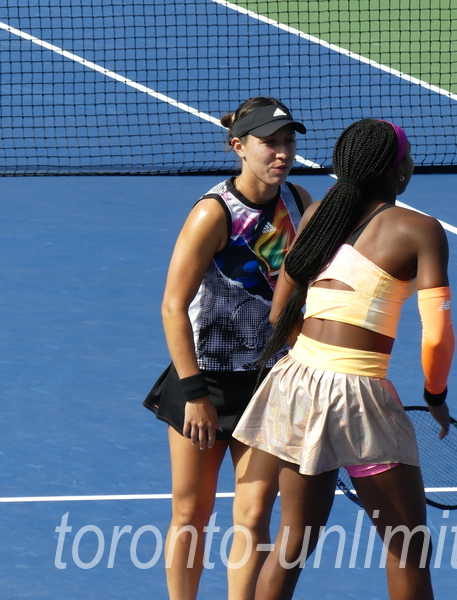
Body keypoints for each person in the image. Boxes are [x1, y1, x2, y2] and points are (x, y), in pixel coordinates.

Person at [233, 119, 455, 600]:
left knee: (293, 540)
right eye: (409, 155)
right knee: (408, 548)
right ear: (397, 171)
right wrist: (435, 397)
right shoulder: (421, 230)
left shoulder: (316, 218)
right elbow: (436, 337)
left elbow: (280, 314)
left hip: (298, 383)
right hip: (357, 393)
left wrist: (318, 364)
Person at [143, 97, 313, 600]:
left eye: (288, 141)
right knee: (191, 513)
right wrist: (194, 392)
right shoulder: (212, 214)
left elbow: (304, 291)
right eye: (270, 143)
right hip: (207, 381)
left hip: (268, 383)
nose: (282, 153)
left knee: (255, 513)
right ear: (239, 147)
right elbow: (173, 307)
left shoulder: (300, 203)